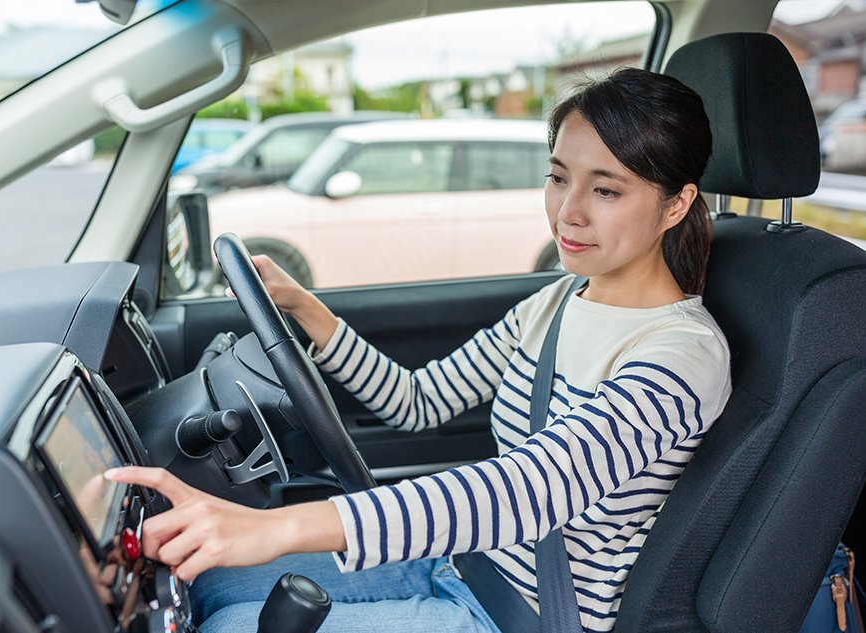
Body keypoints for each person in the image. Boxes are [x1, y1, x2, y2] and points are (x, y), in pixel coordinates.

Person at [106, 67, 732, 633]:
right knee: (204, 582)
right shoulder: (560, 301)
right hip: (462, 564)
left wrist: (273, 527)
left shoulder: (682, 356)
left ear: (675, 203)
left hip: (529, 616)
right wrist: (304, 309)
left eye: (606, 190)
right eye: (559, 177)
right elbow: (419, 401)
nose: (567, 213)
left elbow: (531, 491)